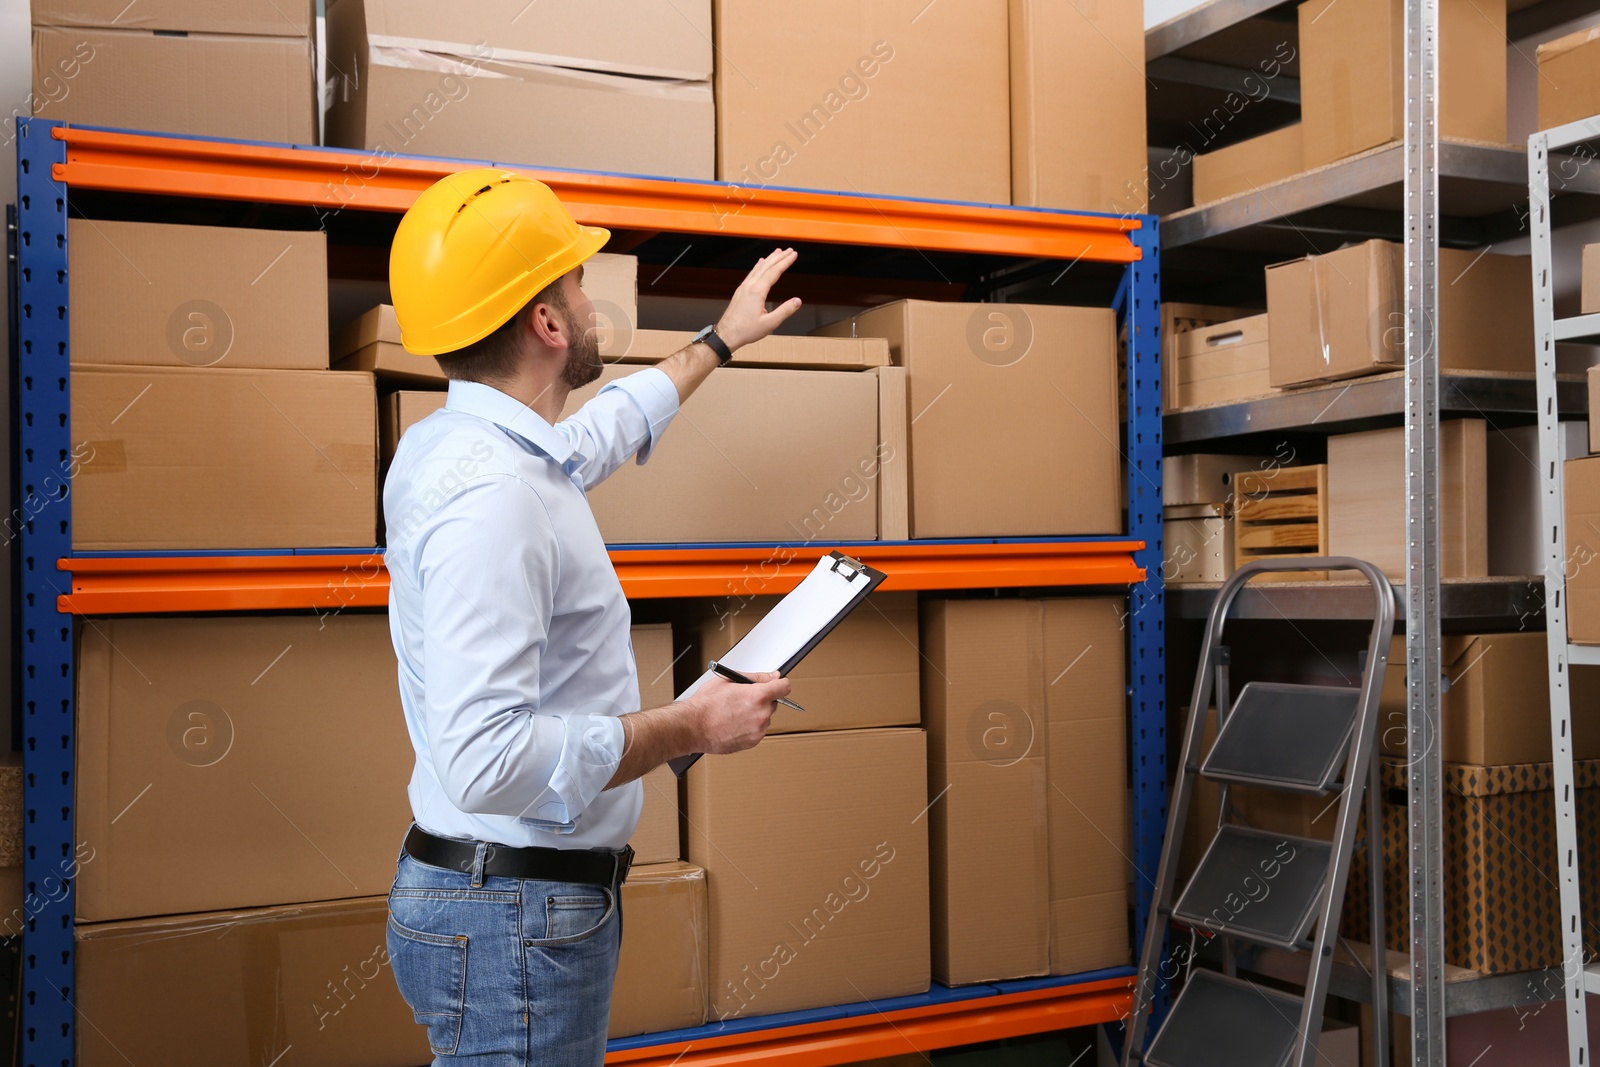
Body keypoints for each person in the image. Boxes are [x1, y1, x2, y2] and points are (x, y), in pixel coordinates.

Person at [382, 167, 798, 1065]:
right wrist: (693, 722)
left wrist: (720, 341)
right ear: (548, 322)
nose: (589, 295)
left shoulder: (459, 445)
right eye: (576, 280)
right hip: (512, 920)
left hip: (500, 905)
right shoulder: (493, 497)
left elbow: (597, 431)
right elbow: (488, 758)